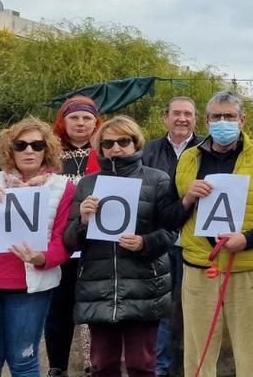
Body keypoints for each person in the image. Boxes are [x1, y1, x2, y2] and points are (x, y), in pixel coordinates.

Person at [156, 90, 253, 377]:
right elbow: (168, 215)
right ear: (207, 122)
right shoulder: (187, 159)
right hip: (199, 268)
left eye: (229, 116)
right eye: (217, 116)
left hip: (249, 269)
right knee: (198, 353)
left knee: (252, 353)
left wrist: (248, 239)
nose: (223, 122)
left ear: (242, 120)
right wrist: (187, 200)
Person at [0, 117, 76, 377]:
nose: (29, 151)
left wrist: (42, 257)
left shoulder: (63, 188)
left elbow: (65, 241)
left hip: (30, 289)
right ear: (10, 150)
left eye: (36, 145)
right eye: (21, 145)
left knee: (24, 362)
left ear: (47, 150)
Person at [63, 116, 174, 377]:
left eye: (123, 141)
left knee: (142, 365)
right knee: (102, 365)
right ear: (100, 148)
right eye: (108, 143)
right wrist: (83, 221)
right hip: (99, 287)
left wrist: (145, 243)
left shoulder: (158, 180)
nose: (116, 148)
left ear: (136, 144)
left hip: (145, 286)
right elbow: (69, 240)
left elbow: (170, 231)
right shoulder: (87, 184)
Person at [141, 96, 204, 377]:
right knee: (161, 307)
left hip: (196, 239)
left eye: (188, 114)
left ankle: (196, 367)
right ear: (165, 117)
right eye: (176, 113)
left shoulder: (208, 149)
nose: (182, 119)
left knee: (195, 307)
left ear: (196, 119)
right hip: (158, 241)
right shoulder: (148, 151)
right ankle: (161, 368)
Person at [48, 95, 104, 376]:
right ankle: (57, 367)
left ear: (96, 122)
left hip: (96, 243)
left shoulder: (106, 152)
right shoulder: (49, 153)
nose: (81, 123)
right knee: (58, 310)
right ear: (63, 121)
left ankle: (93, 366)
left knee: (93, 310)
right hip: (60, 243)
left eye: (87, 118)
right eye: (74, 117)